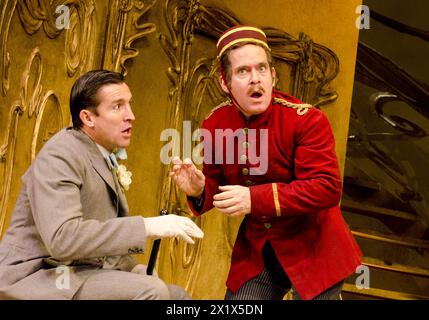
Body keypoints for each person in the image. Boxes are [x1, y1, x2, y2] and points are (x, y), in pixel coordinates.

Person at [170, 25, 362, 300]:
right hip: (260, 252)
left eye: (261, 69)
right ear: (224, 83)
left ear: (273, 75)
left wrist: (254, 199)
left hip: (317, 251)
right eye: (243, 71)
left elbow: (327, 187)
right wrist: (200, 189)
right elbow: (219, 184)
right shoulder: (215, 124)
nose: (255, 80)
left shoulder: (306, 120)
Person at [0, 70, 203, 300]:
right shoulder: (61, 154)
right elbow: (63, 239)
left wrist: (132, 269)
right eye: (117, 106)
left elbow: (101, 236)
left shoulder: (100, 153)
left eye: (129, 104)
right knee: (152, 291)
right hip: (39, 275)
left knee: (177, 296)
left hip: (77, 271)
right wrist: (148, 227)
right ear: (88, 118)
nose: (131, 116)